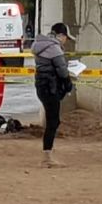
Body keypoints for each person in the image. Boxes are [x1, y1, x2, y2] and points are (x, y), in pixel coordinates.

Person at [32, 22, 75, 168]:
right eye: (66, 38)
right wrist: (69, 83)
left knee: (52, 119)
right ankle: (47, 157)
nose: (65, 41)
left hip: (41, 86)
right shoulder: (55, 48)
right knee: (53, 121)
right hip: (51, 87)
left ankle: (47, 154)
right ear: (61, 35)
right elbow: (62, 71)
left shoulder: (39, 46)